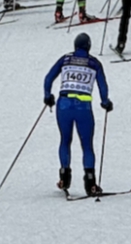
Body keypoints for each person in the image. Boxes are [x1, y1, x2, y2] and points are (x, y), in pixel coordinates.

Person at [43, 33, 113, 197]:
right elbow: (103, 86)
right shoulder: (94, 63)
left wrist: (47, 95)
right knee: (87, 145)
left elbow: (48, 78)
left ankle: (64, 176)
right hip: (83, 107)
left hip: (64, 105)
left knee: (65, 140)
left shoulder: (65, 59)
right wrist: (105, 102)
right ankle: (90, 182)